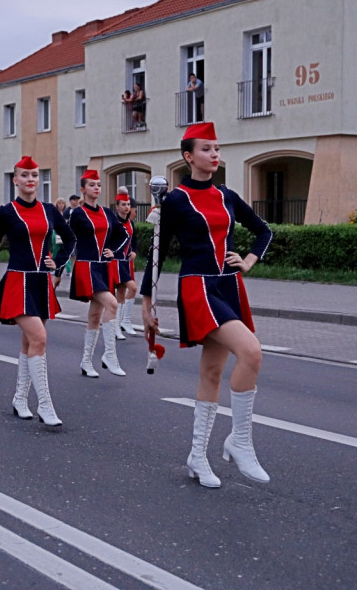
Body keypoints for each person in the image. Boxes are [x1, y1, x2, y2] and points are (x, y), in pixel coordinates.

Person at [142, 121, 273, 488]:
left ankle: (197, 455)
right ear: (188, 157)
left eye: (217, 148)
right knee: (252, 352)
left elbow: (264, 231)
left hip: (229, 285)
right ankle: (240, 440)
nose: (214, 154)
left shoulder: (227, 195)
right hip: (197, 287)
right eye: (206, 149)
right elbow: (157, 253)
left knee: (212, 372)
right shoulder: (176, 200)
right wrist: (147, 303)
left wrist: (248, 260)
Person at [0, 156, 76, 426]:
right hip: (18, 282)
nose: (30, 180)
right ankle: (45, 406)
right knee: (39, 338)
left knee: (29, 342)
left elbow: (71, 238)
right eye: (24, 175)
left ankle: (20, 398)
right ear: (15, 180)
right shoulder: (7, 212)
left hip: (40, 282)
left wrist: (58, 264)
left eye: (35, 175)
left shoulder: (50, 210)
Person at [70, 169, 130, 377]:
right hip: (86, 267)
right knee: (112, 303)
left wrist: (114, 251)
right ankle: (110, 354)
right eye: (92, 185)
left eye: (98, 185)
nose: (96, 188)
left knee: (95, 316)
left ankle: (86, 361)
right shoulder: (77, 213)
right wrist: (60, 267)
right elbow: (69, 239)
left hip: (103, 267)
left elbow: (123, 235)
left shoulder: (106, 212)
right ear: (83, 189)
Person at [112, 193, 140, 340]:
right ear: (117, 207)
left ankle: (123, 322)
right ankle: (118, 324)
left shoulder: (130, 223)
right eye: (123, 204)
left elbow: (134, 239)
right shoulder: (114, 223)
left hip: (126, 262)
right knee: (131, 288)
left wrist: (134, 251)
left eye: (128, 204)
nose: (126, 207)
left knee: (122, 293)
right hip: (116, 262)